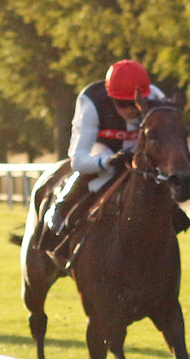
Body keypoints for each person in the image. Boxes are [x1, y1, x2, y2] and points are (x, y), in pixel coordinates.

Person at [46, 59, 166, 236]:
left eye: (135, 103)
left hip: (141, 154)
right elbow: (78, 161)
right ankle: (62, 206)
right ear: (111, 98)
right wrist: (107, 161)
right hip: (102, 151)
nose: (130, 110)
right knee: (106, 169)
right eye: (122, 103)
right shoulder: (91, 101)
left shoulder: (156, 98)